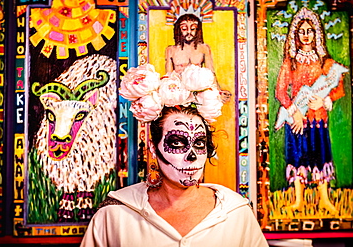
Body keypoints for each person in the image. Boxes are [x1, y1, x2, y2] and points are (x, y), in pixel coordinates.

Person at [80, 64, 268, 247]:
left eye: (199, 143)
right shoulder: (115, 214)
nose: (192, 156)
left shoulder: (235, 212)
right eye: (177, 143)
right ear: (153, 148)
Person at [275, 7, 347, 214]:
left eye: (310, 30)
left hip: (318, 119)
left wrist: (324, 100)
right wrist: (294, 111)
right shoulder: (290, 62)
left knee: (320, 155)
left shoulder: (325, 62)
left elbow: (339, 88)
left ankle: (324, 198)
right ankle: (298, 200)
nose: (306, 35)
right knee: (297, 156)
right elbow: (280, 91)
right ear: (295, 36)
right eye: (301, 31)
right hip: (297, 120)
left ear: (316, 33)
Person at [165, 13, 231, 103]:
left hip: (199, 94)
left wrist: (218, 92)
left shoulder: (204, 49)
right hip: (178, 94)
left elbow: (211, 73)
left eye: (192, 29)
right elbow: (168, 77)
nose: (189, 32)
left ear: (197, 30)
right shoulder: (171, 50)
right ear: (178, 30)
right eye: (184, 29)